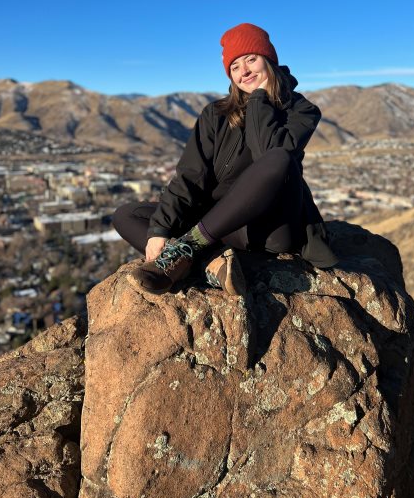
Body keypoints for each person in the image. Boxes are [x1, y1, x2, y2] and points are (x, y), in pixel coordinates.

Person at [112, 23, 338, 295]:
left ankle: (190, 249)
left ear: (270, 60)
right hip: (218, 225)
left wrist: (258, 100)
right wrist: (159, 230)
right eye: (235, 67)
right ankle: (212, 262)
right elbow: (190, 176)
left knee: (279, 159)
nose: (244, 71)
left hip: (269, 228)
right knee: (126, 215)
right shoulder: (216, 114)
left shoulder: (301, 110)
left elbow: (268, 152)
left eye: (251, 59)